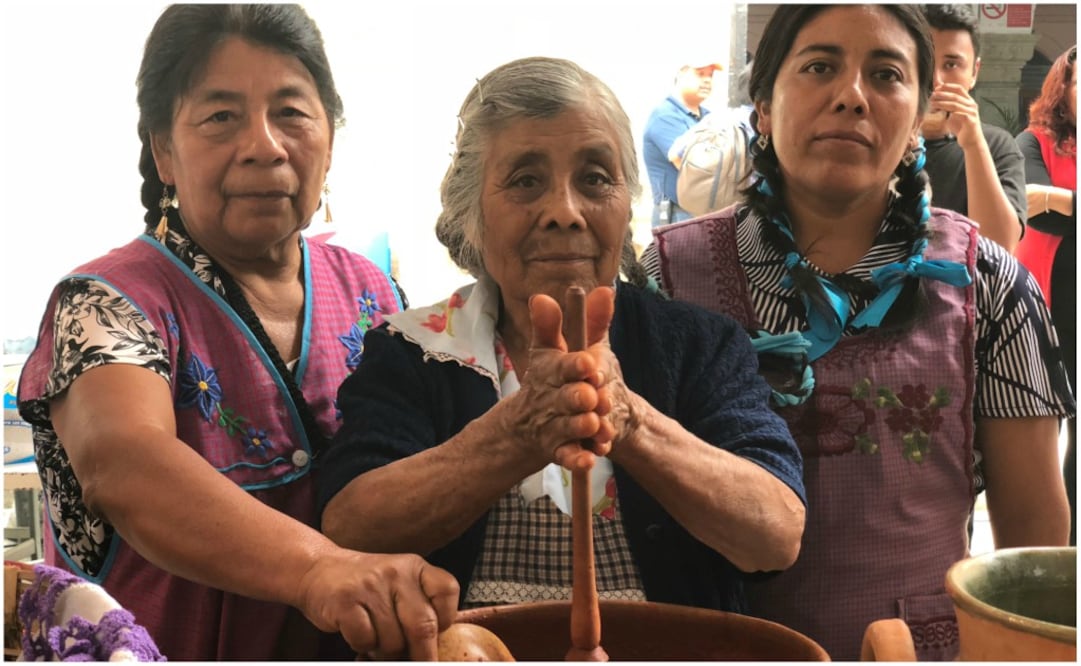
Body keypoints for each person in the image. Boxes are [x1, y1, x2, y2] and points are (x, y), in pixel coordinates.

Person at [15, 5, 458, 660]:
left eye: (291, 112)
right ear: (164, 151)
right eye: (221, 117)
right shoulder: (104, 302)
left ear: (329, 139)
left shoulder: (374, 292)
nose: (264, 145)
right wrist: (319, 568)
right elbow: (124, 465)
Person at [640, 5, 1073, 660]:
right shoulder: (670, 278)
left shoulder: (987, 283)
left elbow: (1031, 539)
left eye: (885, 74)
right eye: (819, 67)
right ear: (763, 106)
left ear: (918, 117)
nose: (850, 96)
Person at [318, 56, 806, 618]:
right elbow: (348, 529)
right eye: (525, 181)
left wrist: (628, 420)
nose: (564, 212)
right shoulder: (411, 351)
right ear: (472, 210)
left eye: (595, 178)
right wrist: (518, 431)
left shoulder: (699, 344)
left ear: (626, 206)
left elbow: (775, 535)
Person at [1014, 45, 1077, 545]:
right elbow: (1032, 203)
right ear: (1064, 89)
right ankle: (1039, 548)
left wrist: (1065, 200)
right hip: (1047, 302)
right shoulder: (1033, 142)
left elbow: (1054, 203)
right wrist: (1059, 201)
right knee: (1039, 427)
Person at [920, 3, 1026, 252]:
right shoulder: (881, 138)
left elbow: (1000, 246)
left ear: (974, 72)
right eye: (924, 62)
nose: (936, 80)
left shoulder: (996, 145)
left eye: (951, 65)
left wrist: (973, 143)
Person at [643, 59, 723, 226]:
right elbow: (698, 168)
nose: (707, 80)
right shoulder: (664, 117)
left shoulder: (709, 117)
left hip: (703, 213)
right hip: (677, 216)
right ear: (681, 75)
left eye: (710, 75)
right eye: (700, 74)